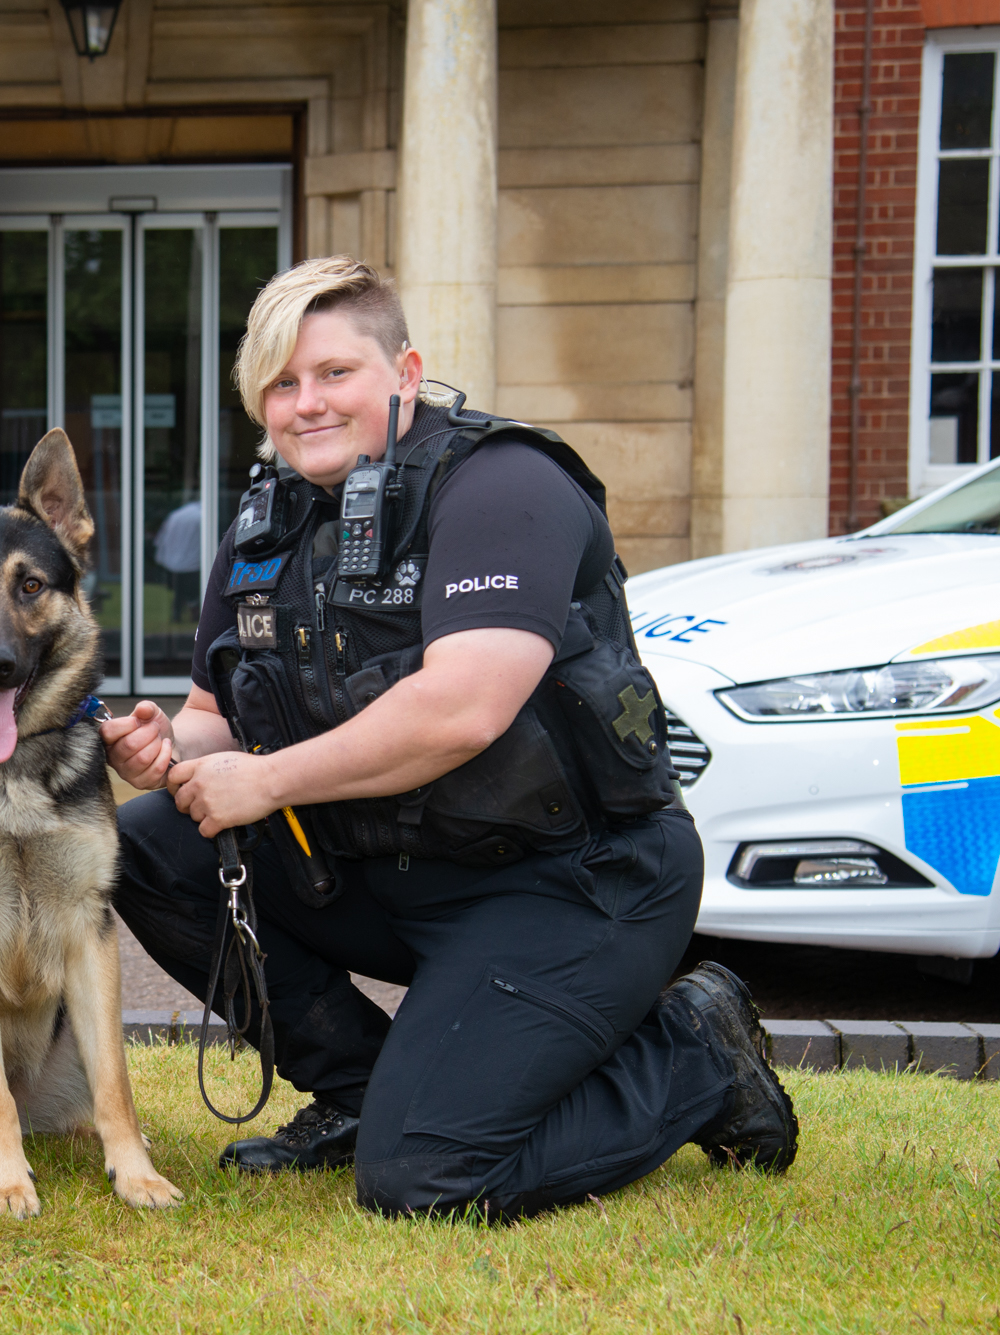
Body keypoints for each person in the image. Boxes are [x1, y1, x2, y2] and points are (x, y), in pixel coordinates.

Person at [100, 256, 797, 1222]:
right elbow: (214, 714)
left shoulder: (503, 483)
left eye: (335, 372)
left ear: (405, 371)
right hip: (387, 868)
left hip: (569, 882)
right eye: (281, 383)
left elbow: (466, 705)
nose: (306, 403)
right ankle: (363, 1090)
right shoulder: (265, 519)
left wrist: (264, 784)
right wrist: (162, 743)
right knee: (146, 843)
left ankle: (695, 1052)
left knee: (423, 1179)